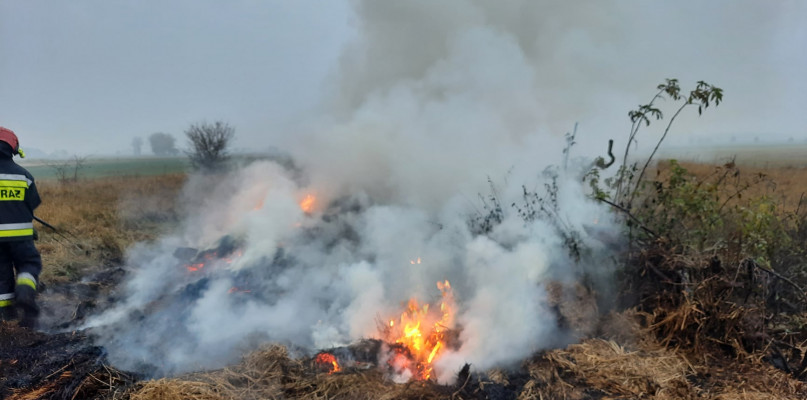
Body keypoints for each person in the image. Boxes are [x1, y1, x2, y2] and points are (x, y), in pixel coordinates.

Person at [0, 126, 42, 329]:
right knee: (29, 265)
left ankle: (7, 316)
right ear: (13, 149)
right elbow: (33, 203)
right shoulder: (23, 175)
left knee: (1, 274)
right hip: (21, 237)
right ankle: (25, 293)